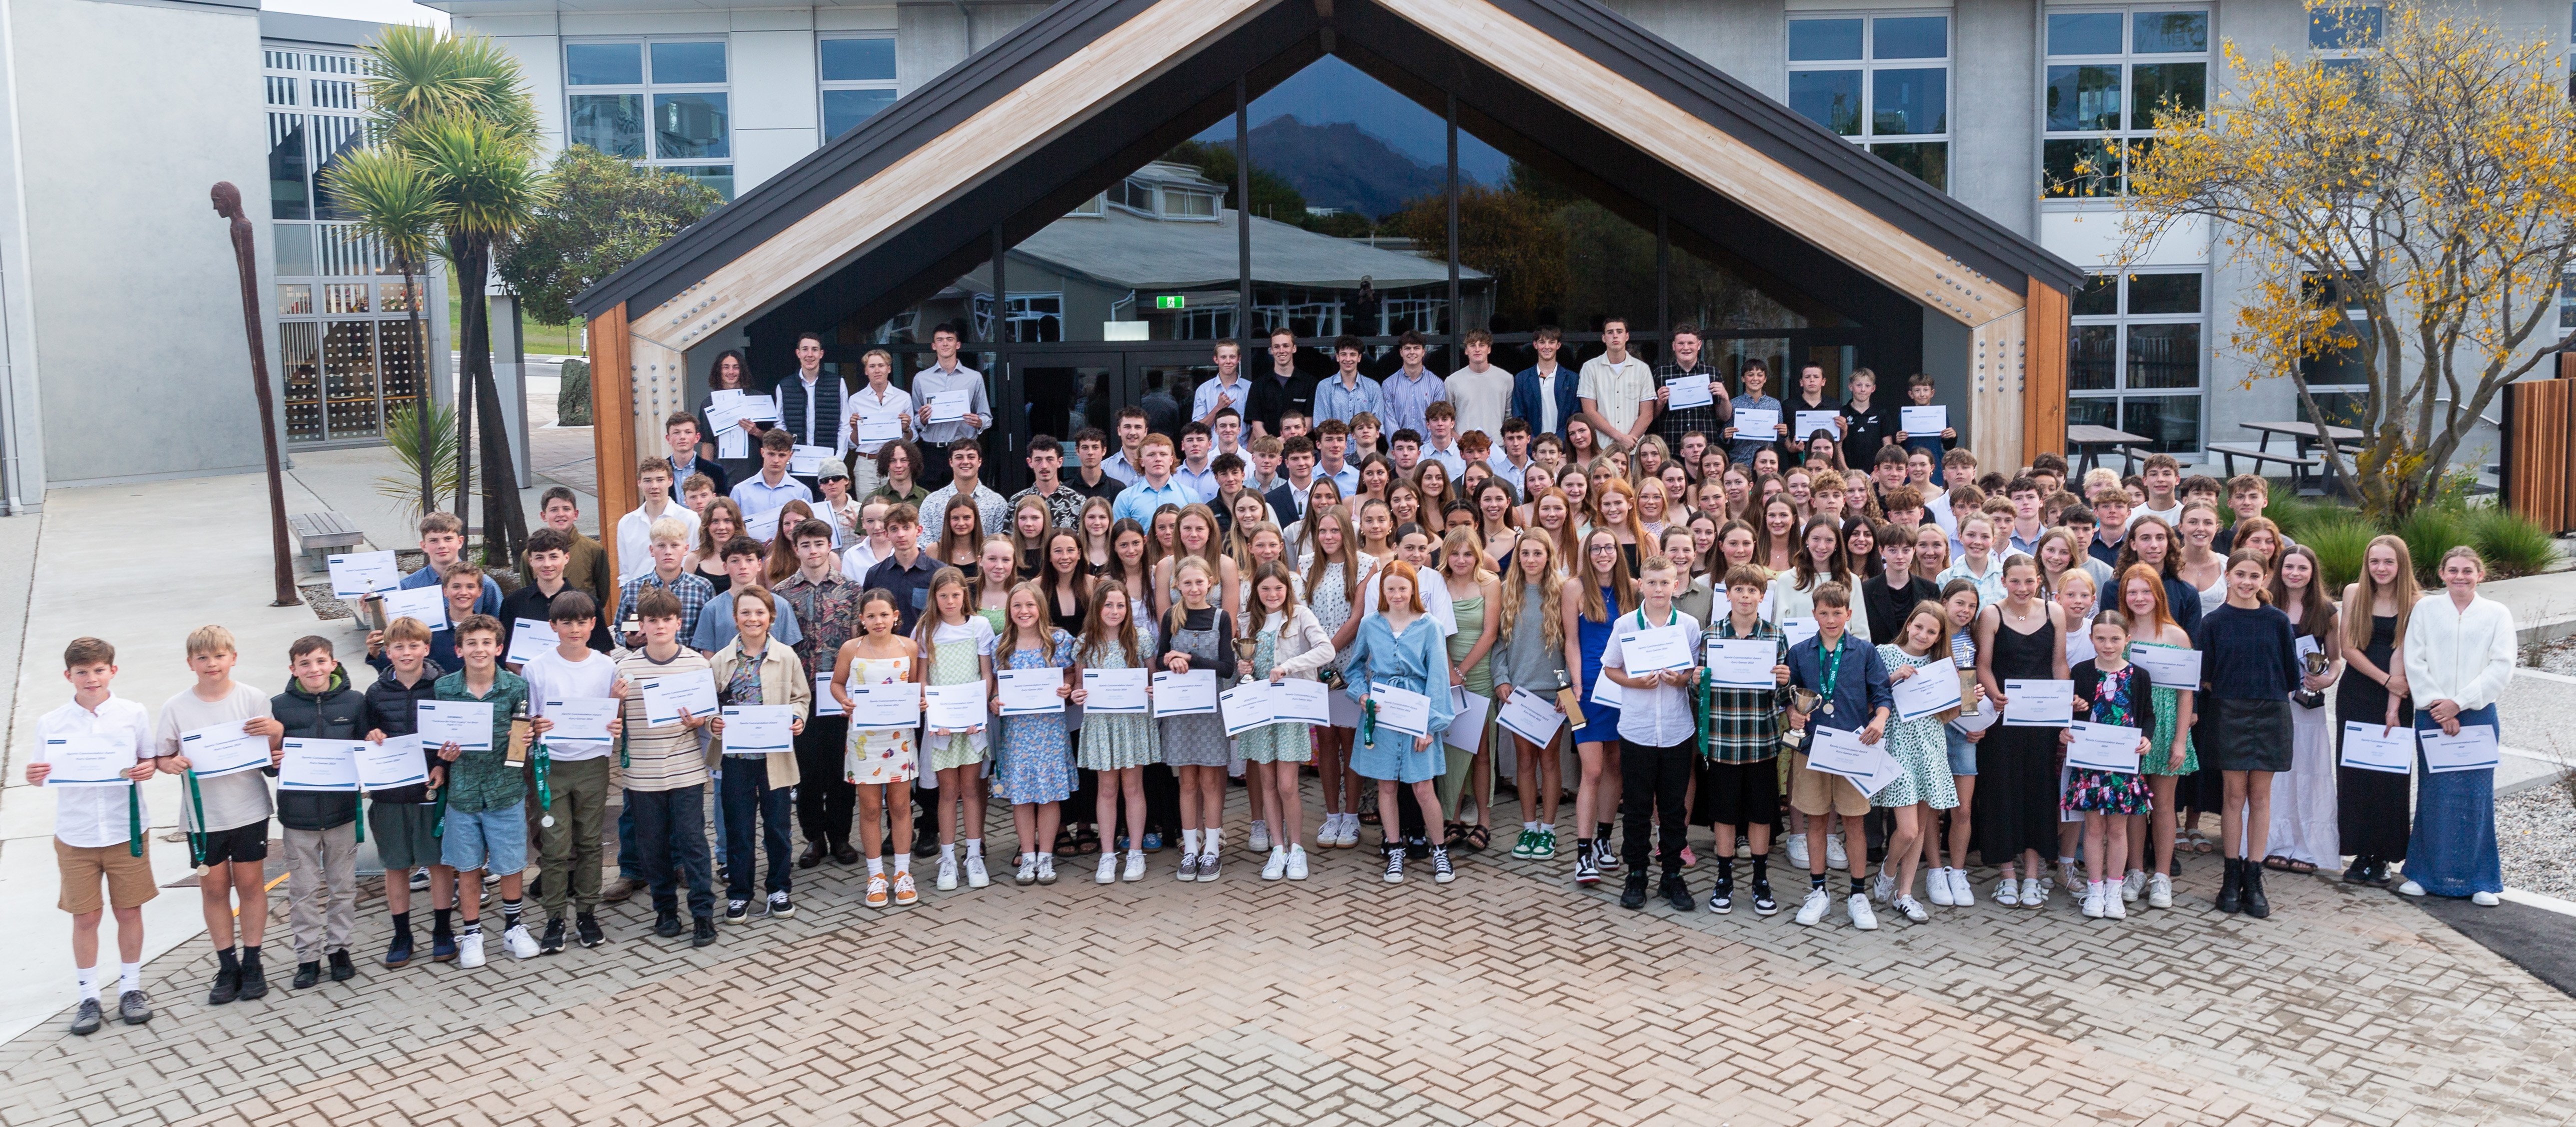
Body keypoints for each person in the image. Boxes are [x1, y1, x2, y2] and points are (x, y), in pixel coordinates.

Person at [33, 638, 159, 1033]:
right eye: (82, 672)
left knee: (128, 911)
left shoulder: (132, 713)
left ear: (113, 671)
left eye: (99, 670)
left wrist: (146, 768)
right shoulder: (52, 723)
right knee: (85, 915)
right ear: (68, 676)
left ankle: (131, 989)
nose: (91, 678)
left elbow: (147, 758)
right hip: (77, 833)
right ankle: (88, 997)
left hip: (126, 829)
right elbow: (42, 772)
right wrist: (34, 775)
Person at [153, 624, 283, 1004]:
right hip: (202, 815)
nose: (212, 664)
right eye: (203, 657)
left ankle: (254, 960)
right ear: (191, 663)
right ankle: (227, 965)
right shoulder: (176, 707)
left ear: (234, 657)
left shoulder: (253, 698)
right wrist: (170, 762)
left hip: (248, 808)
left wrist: (275, 731)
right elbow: (161, 756)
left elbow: (271, 751)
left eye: (220, 656)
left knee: (250, 884)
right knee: (213, 887)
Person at [2397, 546, 2516, 906]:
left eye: (2468, 570)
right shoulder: (2426, 609)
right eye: (2453, 570)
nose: (2460, 576)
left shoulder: (2497, 613)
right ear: (2442, 573)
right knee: (2434, 793)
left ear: (2480, 575)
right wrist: (2439, 705)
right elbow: (2413, 658)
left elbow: (2502, 665)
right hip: (2432, 712)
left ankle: (2481, 879)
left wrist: (2459, 703)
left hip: (2477, 714)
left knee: (2476, 797)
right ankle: (2423, 873)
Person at [2192, 551, 2302, 918]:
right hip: (2228, 712)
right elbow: (2204, 674)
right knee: (2233, 795)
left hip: (2271, 712)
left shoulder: (2277, 620)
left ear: (2265, 579)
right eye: (2240, 574)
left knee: (2260, 796)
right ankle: (2230, 874)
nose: (2246, 582)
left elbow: (2291, 676)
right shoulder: (2214, 622)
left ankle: (2253, 878)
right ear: (2228, 574)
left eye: (2254, 576)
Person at [429, 616, 539, 965]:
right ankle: (473, 932)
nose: (480, 649)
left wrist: (521, 742)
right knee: (468, 865)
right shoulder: (445, 688)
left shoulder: (516, 687)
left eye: (487, 642)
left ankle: (513, 927)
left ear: (499, 647)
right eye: (472, 643)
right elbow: (438, 739)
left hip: (504, 788)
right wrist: (442, 757)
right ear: (459, 649)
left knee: (509, 863)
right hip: (462, 791)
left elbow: (521, 747)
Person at [1600, 553, 1705, 912]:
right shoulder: (1627, 625)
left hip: (1676, 730)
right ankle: (1637, 874)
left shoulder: (1689, 625)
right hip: (1637, 729)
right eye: (1652, 582)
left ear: (1676, 586)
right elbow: (1611, 668)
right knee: (1638, 808)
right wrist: (1634, 683)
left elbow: (1691, 670)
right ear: (1641, 584)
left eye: (1666, 582)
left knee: (1674, 808)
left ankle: (1672, 875)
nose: (1659, 589)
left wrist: (1682, 679)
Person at [615, 590, 720, 946]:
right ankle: (665, 911)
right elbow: (614, 724)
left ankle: (703, 914)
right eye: (652, 620)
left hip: (686, 771)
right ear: (641, 625)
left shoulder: (696, 664)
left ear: (679, 622)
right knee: (653, 847)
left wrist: (701, 721)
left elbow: (711, 722)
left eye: (667, 620)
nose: (660, 626)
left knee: (693, 843)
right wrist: (614, 703)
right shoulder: (626, 669)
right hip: (642, 775)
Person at [1785, 582, 1891, 930]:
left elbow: (1883, 692)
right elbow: (1787, 694)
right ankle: (1819, 891)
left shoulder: (1864, 651)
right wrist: (1792, 712)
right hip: (1812, 748)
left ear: (1849, 614)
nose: (1831, 619)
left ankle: (1857, 894)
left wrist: (1880, 717)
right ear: (1814, 614)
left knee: (1854, 821)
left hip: (1853, 749)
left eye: (1837, 613)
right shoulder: (1800, 651)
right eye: (1824, 613)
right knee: (1816, 819)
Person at [1344, 560, 1458, 885]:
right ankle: (1395, 848)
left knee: (1423, 787)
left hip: (1416, 713)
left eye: (1402, 588)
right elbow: (1354, 670)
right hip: (1381, 715)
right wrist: (1362, 696)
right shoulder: (1370, 623)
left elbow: (1437, 677)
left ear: (1413, 591)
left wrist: (1430, 725)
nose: (1396, 594)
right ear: (1382, 591)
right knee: (1386, 785)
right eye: (1390, 588)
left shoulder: (1430, 626)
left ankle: (1439, 851)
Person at [706, 585, 811, 923]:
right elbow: (709, 706)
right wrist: (713, 722)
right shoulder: (721, 660)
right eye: (746, 612)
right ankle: (739, 893)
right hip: (736, 760)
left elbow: (801, 696)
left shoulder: (787, 657)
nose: (753, 618)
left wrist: (797, 718)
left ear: (772, 617)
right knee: (739, 828)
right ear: (735, 618)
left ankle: (779, 888)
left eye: (760, 612)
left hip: (775, 757)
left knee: (778, 827)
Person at [1973, 555, 2071, 909]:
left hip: (2042, 720)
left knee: (2039, 792)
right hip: (2004, 720)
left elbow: (2059, 664)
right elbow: (1983, 664)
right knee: (2002, 792)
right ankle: (2007, 876)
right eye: (2015, 581)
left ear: (2039, 580)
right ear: (2004, 581)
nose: (2023, 588)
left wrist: (2063, 714)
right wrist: (1995, 692)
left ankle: (2032, 875)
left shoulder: (2054, 612)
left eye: (2029, 581)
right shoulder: (1991, 614)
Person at [272, 636, 367, 990]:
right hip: (298, 817)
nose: (314, 669)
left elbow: (365, 748)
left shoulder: (355, 702)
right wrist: (272, 760)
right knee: (303, 890)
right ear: (293, 669)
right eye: (305, 663)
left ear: (334, 662)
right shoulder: (278, 707)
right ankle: (307, 956)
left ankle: (340, 949)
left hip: (342, 812)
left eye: (321, 661)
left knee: (343, 887)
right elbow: (268, 763)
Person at [360, 616, 449, 964]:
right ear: (388, 652)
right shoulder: (376, 692)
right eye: (399, 646)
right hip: (390, 794)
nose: (407, 652)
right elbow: (365, 734)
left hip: (430, 790)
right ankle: (402, 934)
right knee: (395, 865)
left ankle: (442, 929)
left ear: (426, 649)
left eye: (414, 645)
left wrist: (443, 765)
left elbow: (450, 736)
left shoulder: (442, 686)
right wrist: (371, 736)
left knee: (438, 862)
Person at [1869, 600, 1962, 924]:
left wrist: (1966, 697)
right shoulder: (1884, 654)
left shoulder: (1942, 664)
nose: (1923, 634)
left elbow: (1948, 715)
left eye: (1932, 631)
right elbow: (1868, 697)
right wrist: (1893, 677)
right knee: (1907, 830)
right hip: (1898, 748)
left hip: (1930, 749)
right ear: (1909, 624)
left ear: (1939, 637)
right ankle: (1888, 871)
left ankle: (1904, 894)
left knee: (1922, 826)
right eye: (1919, 626)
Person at [831, 587, 922, 907]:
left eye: (884, 614)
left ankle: (902, 873)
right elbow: (837, 683)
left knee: (900, 807)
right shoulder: (851, 649)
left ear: (896, 616)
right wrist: (844, 701)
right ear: (862, 619)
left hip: (899, 740)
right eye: (871, 616)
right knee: (869, 808)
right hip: (864, 741)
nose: (878, 621)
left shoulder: (910, 647)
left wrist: (919, 702)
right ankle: (875, 876)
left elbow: (915, 688)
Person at [2336, 535, 2417, 888]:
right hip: (2359, 691)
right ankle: (2359, 853)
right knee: (2355, 773)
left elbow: (2403, 650)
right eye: (2375, 562)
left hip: (2398, 695)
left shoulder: (2415, 601)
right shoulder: (2355, 593)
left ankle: (2383, 856)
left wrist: (2394, 703)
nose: (2381, 569)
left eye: (2388, 562)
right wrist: (2386, 682)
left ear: (2401, 564)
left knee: (2389, 776)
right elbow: (2348, 647)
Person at [2063, 614, 2156, 920]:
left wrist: (2146, 740)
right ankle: (2095, 889)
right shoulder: (2081, 672)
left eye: (2115, 639)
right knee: (2093, 828)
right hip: (2089, 764)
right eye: (2101, 639)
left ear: (2127, 639)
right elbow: (2069, 715)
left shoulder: (2139, 676)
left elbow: (2147, 716)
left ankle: (2115, 891)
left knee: (2118, 829)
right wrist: (2065, 731)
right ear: (2091, 639)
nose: (2108, 645)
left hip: (2122, 764)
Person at [988, 582, 1076, 886]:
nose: (1024, 612)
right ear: (1009, 610)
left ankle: (1047, 856)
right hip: (1017, 733)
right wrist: (995, 701)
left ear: (1041, 607)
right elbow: (998, 686)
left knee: (1050, 794)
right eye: (1017, 606)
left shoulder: (1059, 640)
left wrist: (1067, 687)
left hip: (1050, 730)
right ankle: (1028, 855)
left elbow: (1071, 673)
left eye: (1030, 605)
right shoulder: (1001, 645)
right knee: (1022, 797)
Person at [2263, 545, 2342, 876]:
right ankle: (2272, 842)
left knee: (2306, 772)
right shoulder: (2266, 603)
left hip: (2307, 705)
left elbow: (2337, 658)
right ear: (2280, 569)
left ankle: (2307, 845)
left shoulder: (2325, 611)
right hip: (2272, 701)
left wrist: (2325, 678)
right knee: (2275, 776)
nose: (2295, 573)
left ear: (2313, 573)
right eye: (2289, 566)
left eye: (2303, 568)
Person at [916, 567, 996, 890]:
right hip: (942, 728)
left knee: (973, 791)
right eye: (943, 596)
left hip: (972, 724)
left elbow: (986, 673)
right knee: (948, 792)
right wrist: (934, 715)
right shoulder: (926, 630)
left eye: (955, 594)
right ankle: (948, 859)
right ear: (934, 598)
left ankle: (974, 855)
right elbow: (922, 678)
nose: (950, 601)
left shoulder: (980, 626)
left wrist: (979, 709)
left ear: (966, 595)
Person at [1564, 528, 1634, 885]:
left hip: (1623, 687)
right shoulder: (1575, 588)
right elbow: (1571, 642)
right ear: (1586, 553)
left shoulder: (1631, 589)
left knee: (1615, 765)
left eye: (1609, 547)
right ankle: (1583, 850)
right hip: (1588, 689)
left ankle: (1605, 839)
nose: (1603, 553)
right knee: (1591, 770)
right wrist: (1575, 685)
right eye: (1596, 548)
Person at [1437, 528, 1503, 850]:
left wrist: (1462, 671)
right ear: (1446, 555)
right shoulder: (1438, 583)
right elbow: (1434, 632)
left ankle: (1483, 821)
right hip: (1444, 675)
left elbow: (1491, 632)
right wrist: (1450, 670)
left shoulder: (1491, 583)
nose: (1461, 560)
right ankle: (1451, 819)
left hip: (1477, 677)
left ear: (1478, 554)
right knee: (1451, 751)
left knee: (1480, 752)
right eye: (1455, 553)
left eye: (1468, 553)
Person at [690, 538, 806, 654]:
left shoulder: (780, 605)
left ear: (760, 565)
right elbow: (709, 655)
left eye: (750, 560)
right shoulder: (712, 608)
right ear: (725, 567)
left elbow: (791, 652)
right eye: (735, 561)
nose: (743, 566)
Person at [911, 325, 990, 488]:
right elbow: (915, 420)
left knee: (966, 503)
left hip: (963, 452)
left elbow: (986, 417)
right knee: (932, 505)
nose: (945, 344)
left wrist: (979, 422)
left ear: (958, 345)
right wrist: (922, 420)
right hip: (932, 453)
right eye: (940, 340)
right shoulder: (921, 379)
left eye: (950, 340)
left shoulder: (974, 378)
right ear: (934, 346)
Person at [392, 511, 503, 616]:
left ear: (460, 542)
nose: (442, 545)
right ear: (424, 546)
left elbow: (500, 628)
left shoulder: (485, 585)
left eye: (448, 539)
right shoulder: (408, 587)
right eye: (434, 540)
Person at [838, 348, 913, 499]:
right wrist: (855, 430)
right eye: (872, 366)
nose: (877, 370)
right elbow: (852, 444)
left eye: (881, 365)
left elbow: (911, 439)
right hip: (866, 463)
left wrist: (906, 429)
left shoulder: (903, 398)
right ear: (866, 371)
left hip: (894, 463)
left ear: (889, 369)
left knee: (896, 509)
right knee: (867, 510)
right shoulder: (855, 400)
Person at [616, 458, 701, 585]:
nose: (654, 486)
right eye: (648, 481)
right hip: (639, 595)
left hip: (680, 594)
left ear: (670, 481)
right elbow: (625, 572)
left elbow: (696, 562)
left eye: (660, 480)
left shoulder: (690, 519)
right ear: (639, 483)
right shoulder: (627, 523)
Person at [1650, 322, 1727, 451]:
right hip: (1672, 447)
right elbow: (1651, 416)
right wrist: (1660, 402)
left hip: (1706, 449)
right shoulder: (1661, 374)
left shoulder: (1712, 373)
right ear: (1674, 346)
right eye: (1681, 344)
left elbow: (1725, 416)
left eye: (1691, 343)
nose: (1686, 348)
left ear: (1699, 345)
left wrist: (1725, 397)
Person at [1512, 325, 1580, 442]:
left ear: (1558, 346)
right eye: (1542, 342)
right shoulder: (1522, 379)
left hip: (1564, 447)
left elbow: (1576, 416)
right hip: (1532, 448)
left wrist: (1558, 442)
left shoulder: (1572, 379)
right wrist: (1535, 444)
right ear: (1535, 345)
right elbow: (1519, 417)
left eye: (1551, 342)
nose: (1547, 347)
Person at [1247, 327, 1317, 439]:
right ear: (1271, 350)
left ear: (1294, 348)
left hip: (1300, 451)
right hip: (1269, 453)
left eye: (1286, 346)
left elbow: (1310, 421)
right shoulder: (1258, 386)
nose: (1281, 351)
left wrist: (1288, 440)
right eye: (1277, 347)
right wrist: (1274, 446)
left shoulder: (1310, 384)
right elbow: (1257, 426)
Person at [1313, 335, 1385, 427]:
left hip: (1364, 441)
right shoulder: (1324, 387)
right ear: (1337, 357)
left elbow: (1378, 426)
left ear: (1359, 358)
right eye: (1344, 354)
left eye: (1353, 355)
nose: (1348, 359)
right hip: (1335, 441)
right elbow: (1321, 425)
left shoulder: (1373, 387)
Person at [663, 411, 730, 501]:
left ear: (697, 438)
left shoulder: (715, 471)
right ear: (668, 439)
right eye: (677, 433)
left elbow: (724, 506)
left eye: (688, 432)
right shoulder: (660, 471)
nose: (683, 437)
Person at [1068, 427, 1127, 503]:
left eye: (1095, 447)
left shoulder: (1118, 489)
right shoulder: (1067, 489)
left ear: (1104, 451)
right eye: (1085, 448)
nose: (1090, 452)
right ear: (1077, 451)